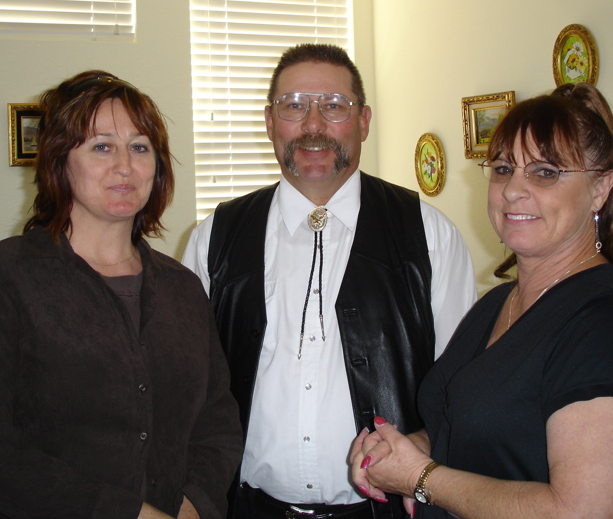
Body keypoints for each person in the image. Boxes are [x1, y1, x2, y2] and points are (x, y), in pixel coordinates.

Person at [350, 83, 613, 519]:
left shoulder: (609, 327)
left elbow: (580, 513)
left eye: (545, 172)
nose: (513, 190)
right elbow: (472, 428)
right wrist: (404, 449)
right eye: (503, 168)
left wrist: (421, 478)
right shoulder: (497, 304)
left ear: (601, 189)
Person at [182, 44, 477, 519]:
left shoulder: (428, 234)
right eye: (294, 106)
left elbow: (461, 389)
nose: (313, 125)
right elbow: (187, 391)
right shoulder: (214, 238)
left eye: (334, 106)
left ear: (363, 121)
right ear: (269, 120)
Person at [0, 70, 242, 519]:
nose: (125, 166)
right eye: (101, 146)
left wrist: (195, 504)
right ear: (60, 160)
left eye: (140, 147)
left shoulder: (182, 287)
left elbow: (217, 422)